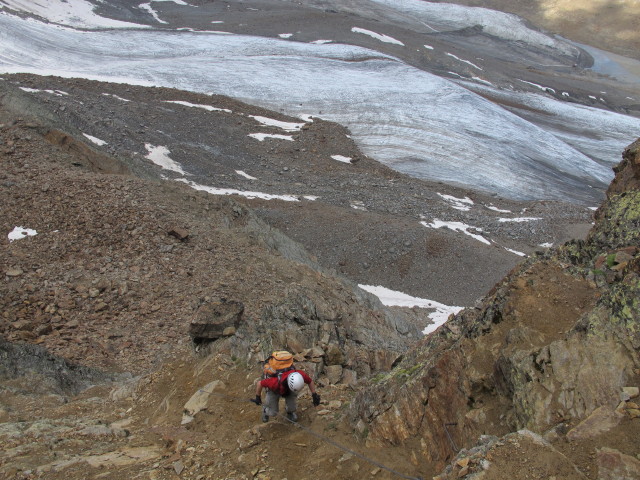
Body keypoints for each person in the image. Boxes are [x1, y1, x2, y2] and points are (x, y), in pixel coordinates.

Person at [253, 369, 321, 423]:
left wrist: (314, 394)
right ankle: (265, 410)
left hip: (289, 391)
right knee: (272, 412)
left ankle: (290, 412)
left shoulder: (300, 375)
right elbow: (259, 383)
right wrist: (258, 397)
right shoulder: (274, 382)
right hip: (274, 391)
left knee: (292, 407)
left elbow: (310, 381)